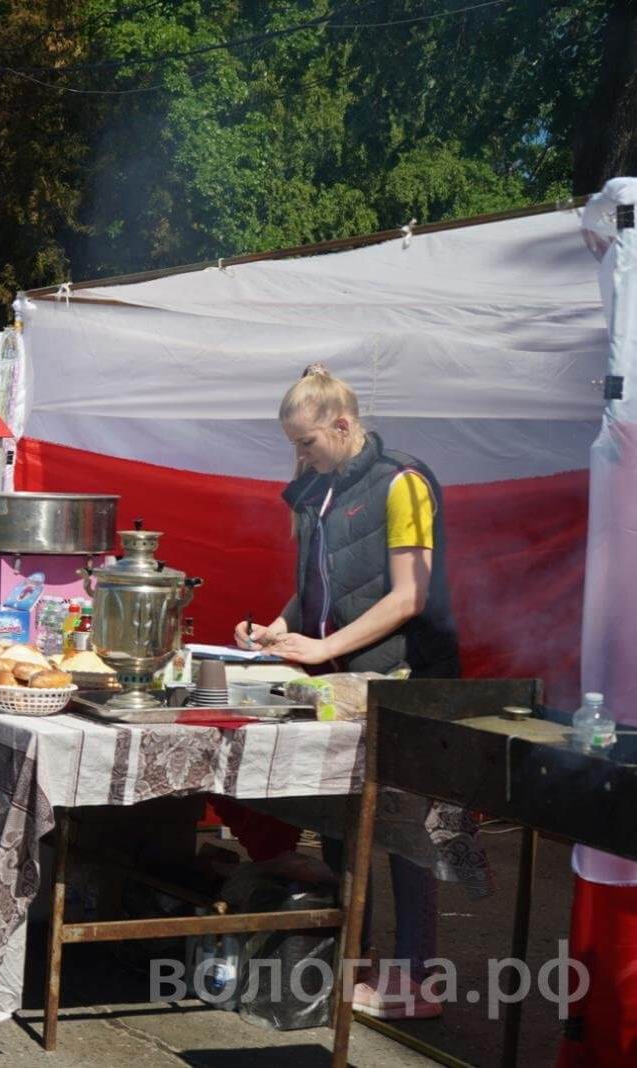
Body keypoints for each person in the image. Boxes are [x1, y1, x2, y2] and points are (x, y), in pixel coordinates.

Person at [234, 363, 459, 1020]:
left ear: (342, 423)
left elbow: (410, 595)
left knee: (408, 833)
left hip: (410, 681)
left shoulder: (404, 484)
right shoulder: (318, 492)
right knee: (339, 821)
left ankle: (420, 982)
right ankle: (355, 963)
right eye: (294, 445)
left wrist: (325, 649)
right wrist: (278, 630)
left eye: (306, 442)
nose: (299, 456)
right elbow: (317, 592)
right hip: (344, 683)